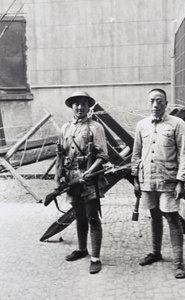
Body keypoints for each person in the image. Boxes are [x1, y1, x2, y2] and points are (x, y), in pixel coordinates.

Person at [131, 88, 185, 279]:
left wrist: (181, 181)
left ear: (166, 103)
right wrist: (135, 179)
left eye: (159, 101)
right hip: (148, 180)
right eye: (152, 101)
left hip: (169, 181)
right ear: (148, 103)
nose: (155, 105)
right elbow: (136, 154)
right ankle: (156, 252)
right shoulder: (141, 125)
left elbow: (184, 154)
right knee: (154, 216)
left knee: (172, 218)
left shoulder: (177, 124)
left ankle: (178, 262)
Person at [55, 90, 109, 274]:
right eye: (76, 103)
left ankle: (95, 258)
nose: (80, 107)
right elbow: (60, 154)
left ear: (88, 106)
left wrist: (89, 172)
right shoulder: (65, 128)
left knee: (93, 217)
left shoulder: (95, 127)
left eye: (83, 103)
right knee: (79, 216)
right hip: (72, 180)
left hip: (89, 180)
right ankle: (81, 249)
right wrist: (59, 176)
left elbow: (103, 156)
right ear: (71, 106)